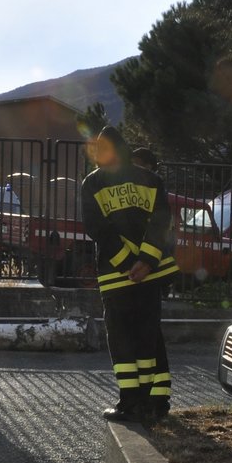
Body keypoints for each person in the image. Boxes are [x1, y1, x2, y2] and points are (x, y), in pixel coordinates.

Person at [80, 127, 173, 424]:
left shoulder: (93, 183)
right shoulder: (152, 180)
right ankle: (153, 401)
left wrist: (125, 263)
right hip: (148, 275)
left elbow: (98, 229)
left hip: (114, 275)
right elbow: (160, 224)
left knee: (121, 339)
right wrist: (145, 261)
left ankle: (130, 403)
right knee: (149, 336)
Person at [130, 146, 179, 418]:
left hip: (151, 273)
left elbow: (159, 235)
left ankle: (155, 398)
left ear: (148, 167)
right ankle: (157, 396)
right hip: (150, 273)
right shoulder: (151, 192)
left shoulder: (152, 193)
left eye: (138, 166)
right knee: (152, 337)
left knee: (148, 337)